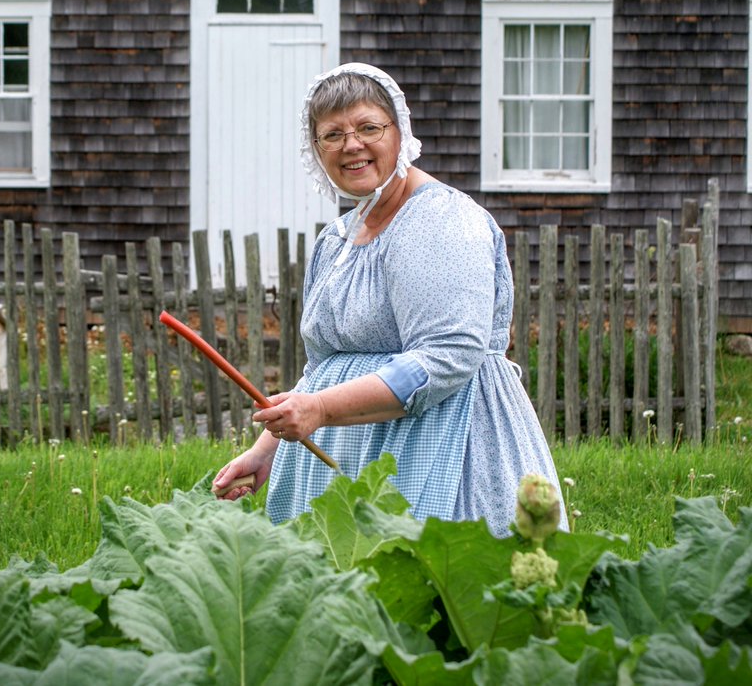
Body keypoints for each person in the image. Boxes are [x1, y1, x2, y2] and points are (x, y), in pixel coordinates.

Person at [211, 62, 565, 537]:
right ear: (316, 151)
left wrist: (320, 411)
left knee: (436, 591)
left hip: (444, 442)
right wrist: (266, 449)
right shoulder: (337, 239)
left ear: (401, 133)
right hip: (349, 452)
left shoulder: (441, 221)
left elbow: (446, 357)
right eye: (331, 135)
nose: (351, 145)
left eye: (368, 127)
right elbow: (321, 370)